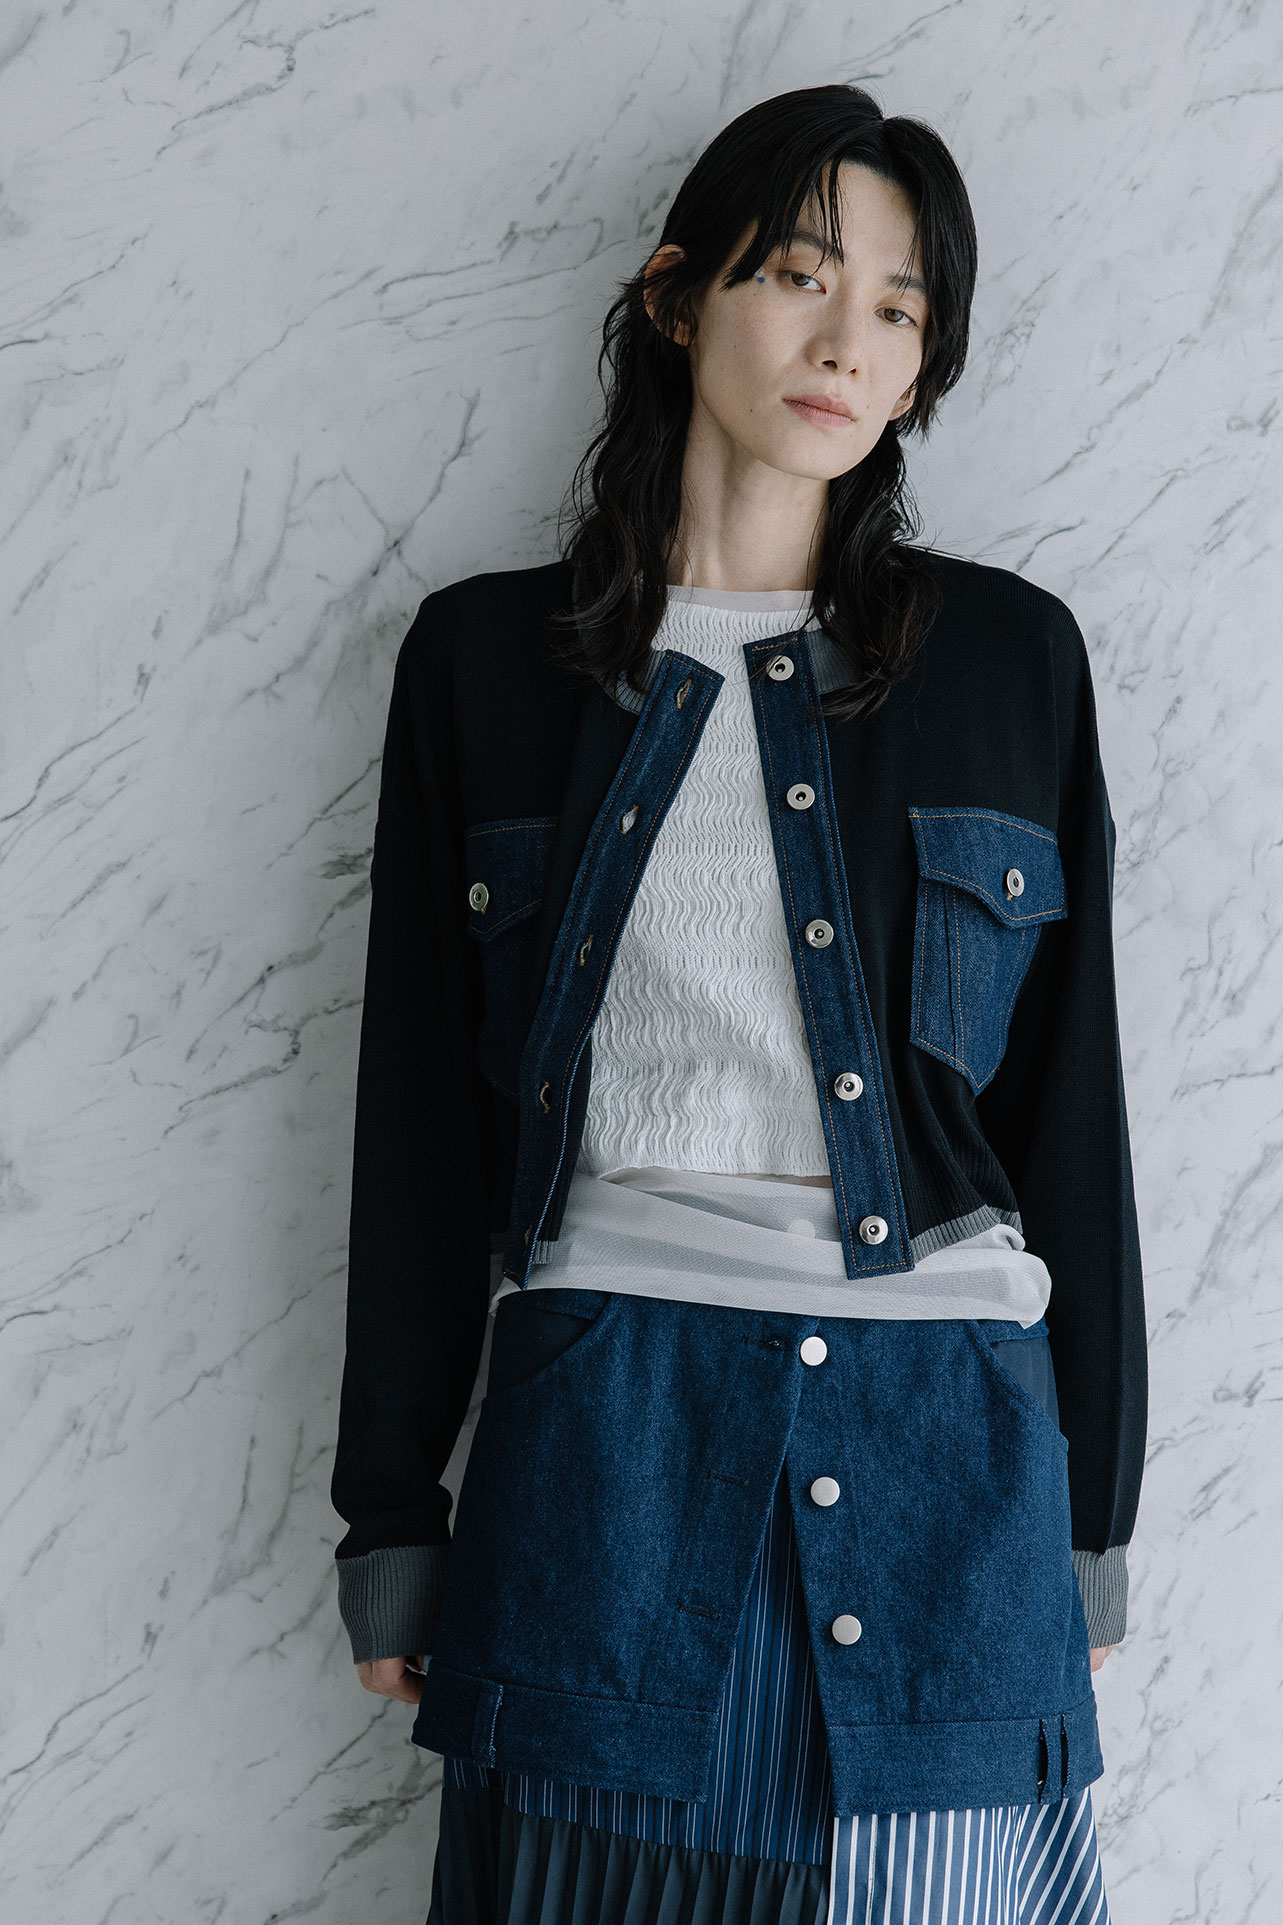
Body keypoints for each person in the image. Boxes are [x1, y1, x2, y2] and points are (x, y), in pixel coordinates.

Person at [330, 83, 1147, 1925]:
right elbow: (419, 1123)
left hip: (951, 1474)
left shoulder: (1012, 662)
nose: (848, 339)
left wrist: (1094, 1523)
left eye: (901, 307)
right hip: (599, 1468)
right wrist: (391, 1504)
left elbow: (1072, 1119)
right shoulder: (483, 666)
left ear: (923, 369)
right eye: (800, 273)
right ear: (675, 295)